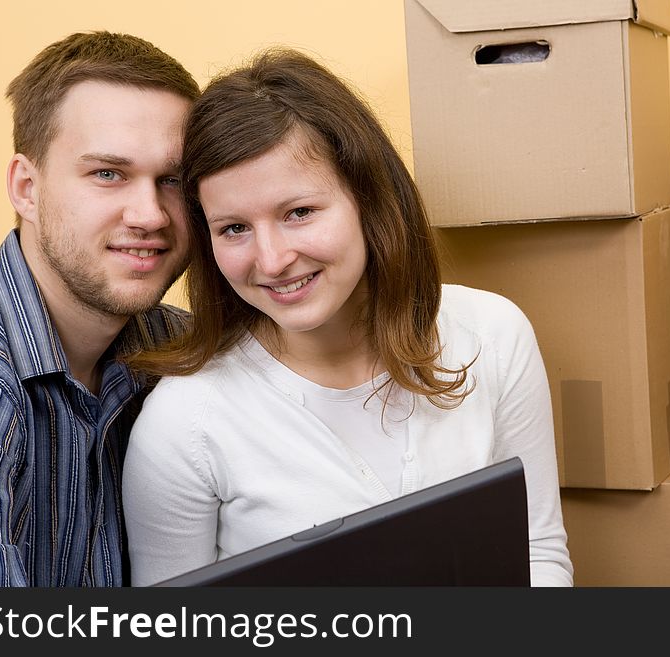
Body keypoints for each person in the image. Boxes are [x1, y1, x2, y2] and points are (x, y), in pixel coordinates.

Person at [121, 47, 575, 587]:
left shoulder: (494, 335)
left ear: (368, 199)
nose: (271, 260)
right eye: (234, 228)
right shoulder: (183, 425)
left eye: (299, 213)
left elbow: (538, 555)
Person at [0, 31, 200, 586]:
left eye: (173, 181)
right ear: (26, 187)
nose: (150, 215)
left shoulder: (182, 351)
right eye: (108, 174)